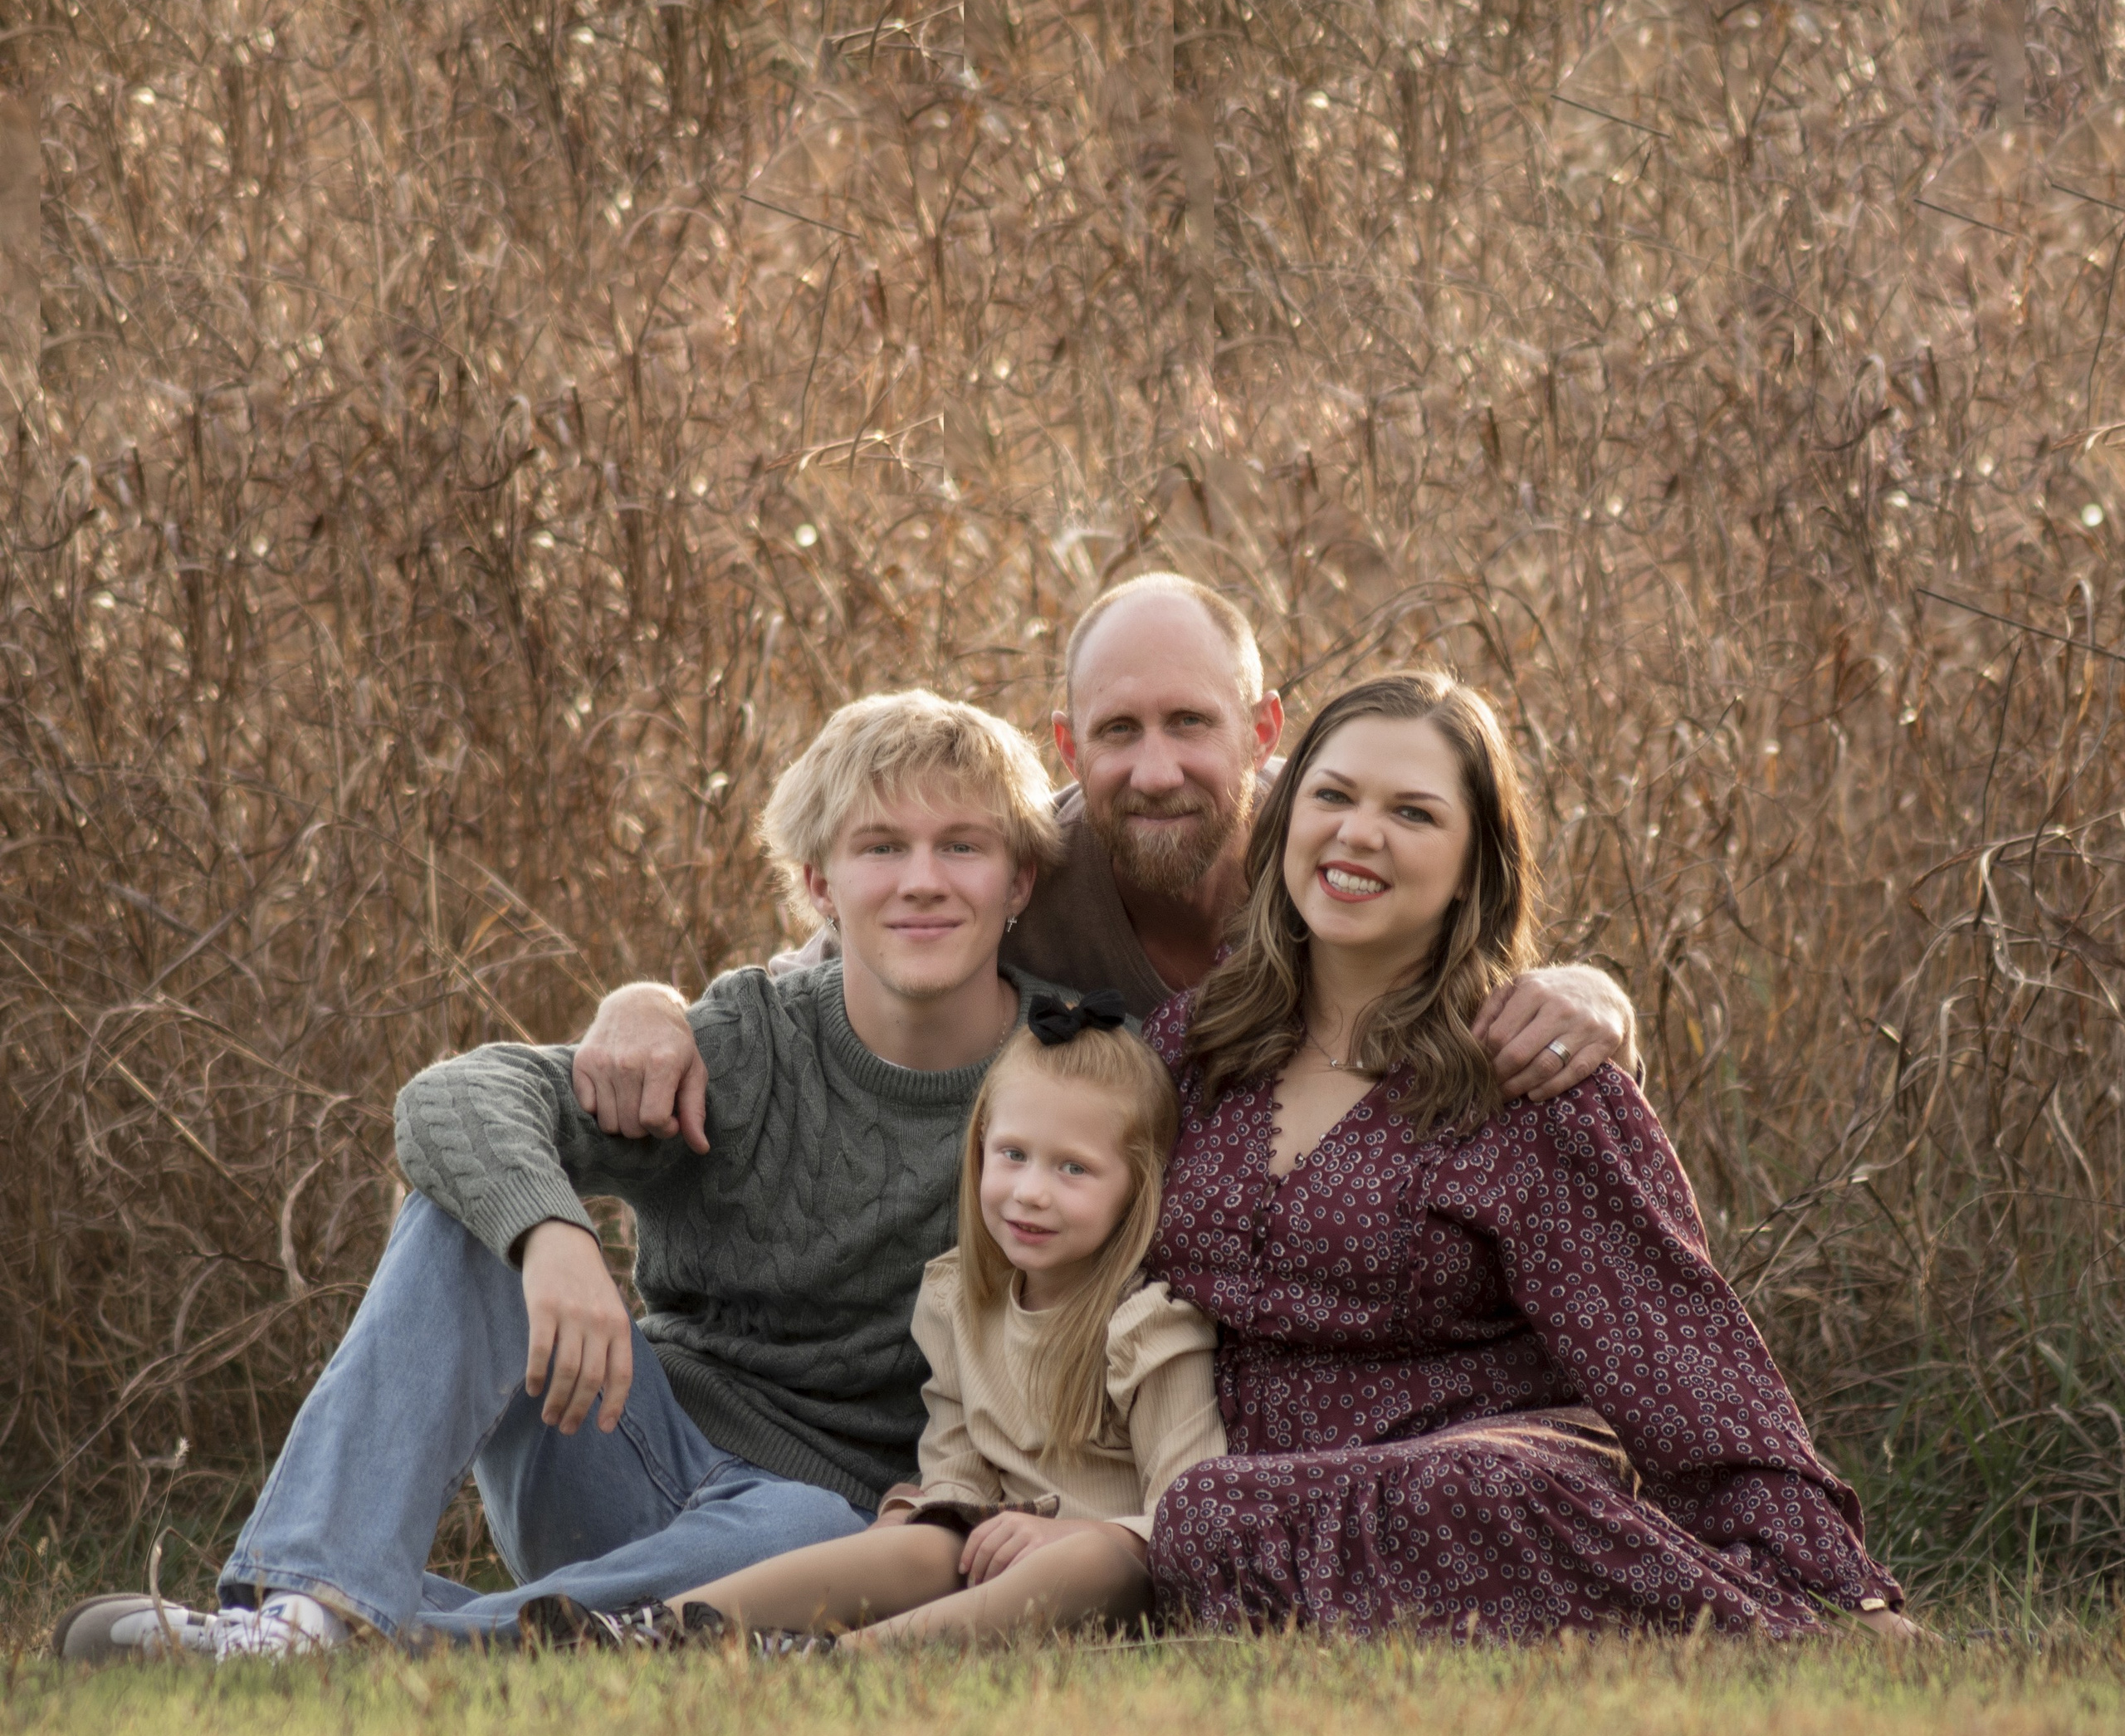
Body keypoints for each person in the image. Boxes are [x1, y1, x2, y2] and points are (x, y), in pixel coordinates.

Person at [57, 693, 1082, 1663]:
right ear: (819, 883)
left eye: (962, 846)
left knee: (809, 1518)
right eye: (880, 847)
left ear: (1020, 881)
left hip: (818, 1525)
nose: (922, 880)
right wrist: (552, 1233)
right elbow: (451, 1099)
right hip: (621, 1445)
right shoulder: (750, 1042)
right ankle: (296, 1606)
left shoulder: (1067, 1071)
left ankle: (397, 1638)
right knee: (471, 1209)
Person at [1137, 668, 1905, 1641]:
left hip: (1486, 1468)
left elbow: (1678, 1352)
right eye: (1332, 796)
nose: (1358, 833)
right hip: (1241, 1503)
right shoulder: (1189, 1052)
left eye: (1412, 813)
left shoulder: (1533, 1073)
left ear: (1471, 865)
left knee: (1481, 1485)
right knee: (1202, 1515)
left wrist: (1846, 1581)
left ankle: (1803, 1634)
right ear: (1285, 818)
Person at [569, 574, 1639, 1150]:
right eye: (1119, 731)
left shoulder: (1327, 853)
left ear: (1265, 728)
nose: (1158, 768)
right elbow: (828, 972)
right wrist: (648, 1005)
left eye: (1190, 722)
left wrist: (1589, 990)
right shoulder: (1028, 868)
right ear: (1069, 745)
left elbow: (1460, 958)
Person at [535, 995, 1225, 1654]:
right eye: (1012, 1155)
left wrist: (1070, 1538)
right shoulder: (963, 1300)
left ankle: (844, 1658)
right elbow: (957, 1469)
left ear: (1138, 1187)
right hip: (996, 1561)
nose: (1031, 1192)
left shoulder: (1149, 1330)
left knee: (1094, 1559)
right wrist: (923, 1513)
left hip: (1110, 1579)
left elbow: (1192, 1515)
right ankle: (662, 1628)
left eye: (1074, 1169)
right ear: (981, 1149)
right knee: (929, 1534)